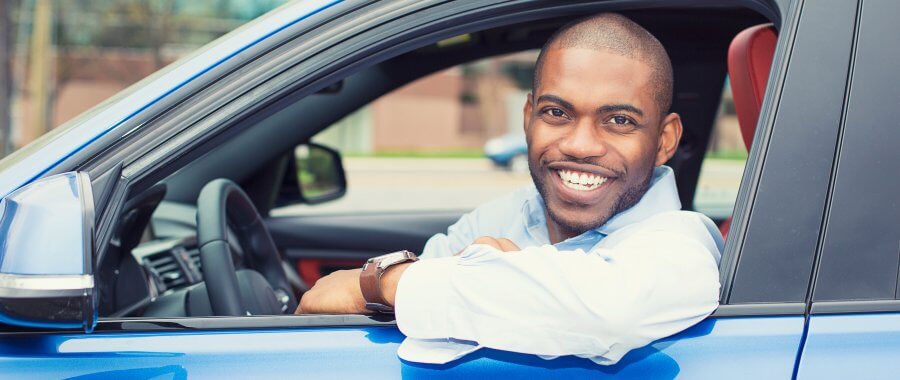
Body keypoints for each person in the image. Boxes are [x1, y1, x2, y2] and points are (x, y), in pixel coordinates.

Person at [296, 13, 722, 366]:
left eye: (619, 121)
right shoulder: (504, 216)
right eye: (557, 112)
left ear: (665, 140)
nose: (579, 145)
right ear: (528, 117)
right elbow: (422, 296)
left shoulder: (682, 246)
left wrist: (379, 284)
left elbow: (608, 312)